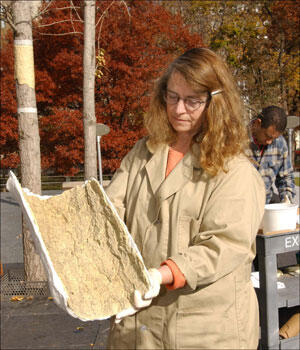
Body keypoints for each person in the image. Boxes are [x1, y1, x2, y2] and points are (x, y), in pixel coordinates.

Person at [105, 48, 265, 349]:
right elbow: (111, 209)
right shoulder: (144, 151)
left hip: (203, 330)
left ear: (215, 102)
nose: (179, 109)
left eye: (192, 100)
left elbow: (224, 244)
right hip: (138, 326)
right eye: (172, 96)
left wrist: (161, 274)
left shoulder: (236, 171)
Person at [247, 106, 296, 204]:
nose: (270, 142)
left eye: (274, 138)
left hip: (266, 204)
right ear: (257, 123)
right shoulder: (236, 141)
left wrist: (286, 199)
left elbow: (286, 177)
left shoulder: (280, 143)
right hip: (242, 207)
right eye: (268, 136)